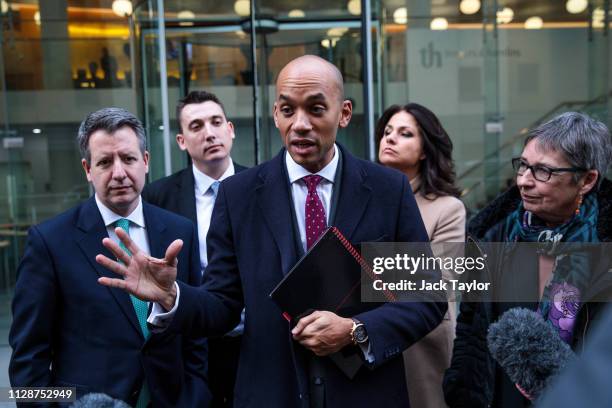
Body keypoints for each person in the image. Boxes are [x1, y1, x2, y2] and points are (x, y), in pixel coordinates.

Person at [97, 55, 446, 407]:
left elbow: (426, 299)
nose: (300, 124)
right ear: (276, 114)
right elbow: (224, 303)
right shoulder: (239, 195)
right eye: (288, 110)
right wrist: (173, 296)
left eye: (315, 109)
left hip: (368, 395)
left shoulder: (387, 190)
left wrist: (356, 332)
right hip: (271, 392)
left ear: (343, 113)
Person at [9, 108, 211, 408]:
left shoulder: (180, 231)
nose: (119, 173)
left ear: (145, 162)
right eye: (104, 162)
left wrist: (195, 397)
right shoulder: (49, 242)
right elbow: (28, 364)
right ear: (88, 170)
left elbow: (196, 334)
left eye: (128, 159)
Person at [443, 112, 612, 408]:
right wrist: (461, 390)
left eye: (543, 171)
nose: (523, 181)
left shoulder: (603, 251)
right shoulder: (493, 236)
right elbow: (471, 324)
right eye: (523, 166)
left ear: (586, 180)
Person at [142, 90, 247, 408]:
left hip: (254, 342)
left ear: (230, 130)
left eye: (216, 122)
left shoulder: (263, 186)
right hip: (191, 348)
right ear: (181, 141)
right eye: (197, 125)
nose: (209, 133)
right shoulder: (158, 197)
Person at [377, 103, 466, 408]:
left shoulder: (447, 208)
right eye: (387, 132)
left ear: (425, 150)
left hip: (421, 344)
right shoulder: (365, 198)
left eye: (405, 134)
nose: (390, 139)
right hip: (363, 340)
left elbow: (437, 282)